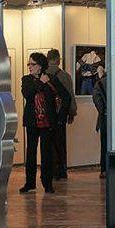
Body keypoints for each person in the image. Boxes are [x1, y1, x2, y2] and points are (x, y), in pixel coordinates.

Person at [20, 52, 70, 194]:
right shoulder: (27, 79)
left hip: (47, 122)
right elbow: (27, 94)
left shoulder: (51, 79)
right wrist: (40, 82)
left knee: (47, 154)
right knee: (31, 153)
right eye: (29, 64)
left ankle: (47, 183)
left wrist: (60, 117)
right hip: (32, 121)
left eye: (33, 64)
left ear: (40, 66)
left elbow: (66, 96)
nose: (30, 67)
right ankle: (30, 183)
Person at [47, 48, 77, 180]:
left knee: (48, 143)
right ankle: (61, 169)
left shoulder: (43, 74)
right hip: (61, 114)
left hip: (47, 114)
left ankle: (50, 170)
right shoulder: (65, 76)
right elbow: (70, 95)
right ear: (58, 60)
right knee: (60, 142)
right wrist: (72, 112)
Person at [92, 65, 107, 178]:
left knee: (105, 144)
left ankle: (104, 169)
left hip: (105, 118)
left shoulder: (100, 84)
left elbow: (99, 104)